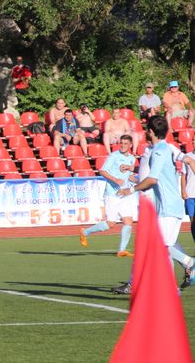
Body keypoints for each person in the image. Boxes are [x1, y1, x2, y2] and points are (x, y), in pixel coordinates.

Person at [116, 116, 195, 291]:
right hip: (167, 206)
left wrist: (131, 189)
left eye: (146, 129)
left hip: (167, 206)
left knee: (159, 247)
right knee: (161, 247)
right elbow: (188, 161)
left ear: (151, 131)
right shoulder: (165, 148)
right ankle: (174, 283)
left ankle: (185, 269)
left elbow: (152, 179)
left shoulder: (160, 150)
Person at [79, 135, 137, 257]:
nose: (122, 145)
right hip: (112, 194)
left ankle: (121, 250)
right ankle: (85, 232)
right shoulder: (114, 156)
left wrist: (139, 182)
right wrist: (116, 180)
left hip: (124, 194)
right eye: (121, 143)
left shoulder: (132, 159)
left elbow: (130, 176)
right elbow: (102, 171)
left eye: (125, 143)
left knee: (128, 221)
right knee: (111, 224)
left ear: (130, 145)